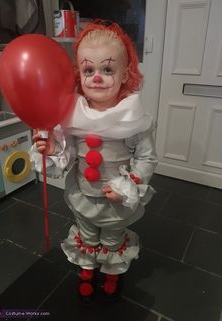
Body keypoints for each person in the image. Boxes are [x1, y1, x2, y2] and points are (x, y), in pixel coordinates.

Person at [30, 20, 158, 303]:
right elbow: (69, 153)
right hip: (83, 195)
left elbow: (147, 157)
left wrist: (129, 184)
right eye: (89, 70)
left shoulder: (132, 118)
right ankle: (87, 271)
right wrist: (52, 148)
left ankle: (112, 274)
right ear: (79, 74)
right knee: (87, 234)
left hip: (115, 202)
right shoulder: (73, 113)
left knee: (112, 237)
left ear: (126, 75)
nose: (97, 77)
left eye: (107, 69)